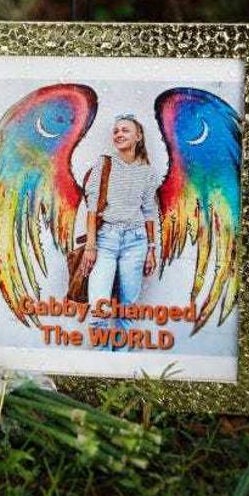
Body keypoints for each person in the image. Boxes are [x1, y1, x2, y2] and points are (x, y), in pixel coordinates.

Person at [75, 114, 162, 348]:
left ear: (138, 136)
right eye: (115, 131)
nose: (119, 134)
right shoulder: (103, 165)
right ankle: (103, 362)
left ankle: (120, 365)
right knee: (98, 310)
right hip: (105, 241)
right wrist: (90, 247)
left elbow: (149, 212)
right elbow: (91, 209)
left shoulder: (147, 172)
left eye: (125, 130)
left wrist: (152, 249)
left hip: (136, 242)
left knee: (128, 310)